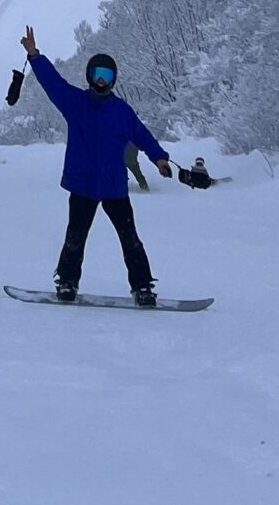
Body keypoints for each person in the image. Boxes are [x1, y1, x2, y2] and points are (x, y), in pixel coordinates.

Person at [20, 27, 171, 305]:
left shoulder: (122, 111)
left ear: (113, 81)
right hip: (82, 183)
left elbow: (142, 135)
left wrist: (159, 157)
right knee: (75, 238)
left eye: (107, 76)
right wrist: (34, 56)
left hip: (114, 186)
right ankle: (67, 283)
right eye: (97, 75)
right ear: (90, 77)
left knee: (131, 241)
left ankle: (143, 288)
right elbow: (53, 83)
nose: (102, 81)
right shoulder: (75, 103)